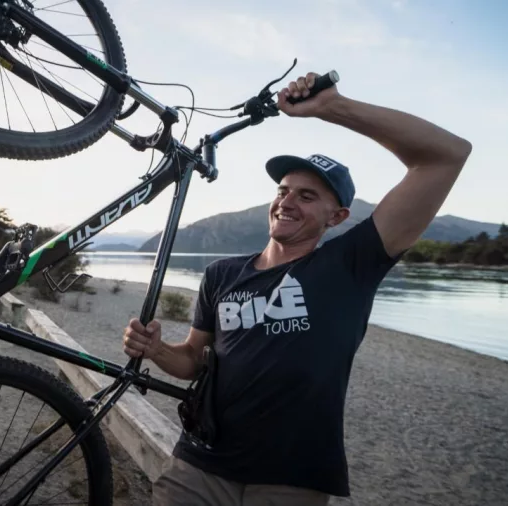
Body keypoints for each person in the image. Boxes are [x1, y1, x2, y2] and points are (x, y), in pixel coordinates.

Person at [122, 72, 472, 506]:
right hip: (201, 463)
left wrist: (333, 108)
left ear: (338, 217)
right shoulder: (221, 274)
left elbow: (446, 156)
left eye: (307, 196)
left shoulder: (351, 264)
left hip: (292, 477)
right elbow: (193, 360)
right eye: (283, 191)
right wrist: (157, 349)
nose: (287, 201)